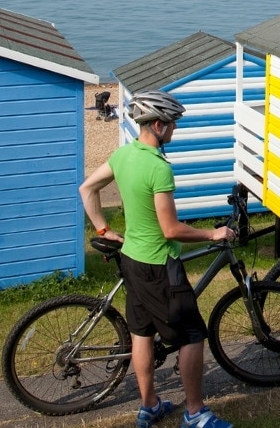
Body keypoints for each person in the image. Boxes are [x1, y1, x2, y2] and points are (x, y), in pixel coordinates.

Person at [79, 90, 234, 428]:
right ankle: (195, 414)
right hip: (159, 265)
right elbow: (170, 229)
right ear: (160, 126)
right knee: (192, 335)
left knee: (142, 333)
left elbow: (86, 189)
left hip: (132, 258)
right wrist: (212, 234)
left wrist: (104, 230)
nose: (175, 130)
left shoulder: (124, 155)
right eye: (174, 124)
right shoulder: (158, 167)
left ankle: (149, 405)